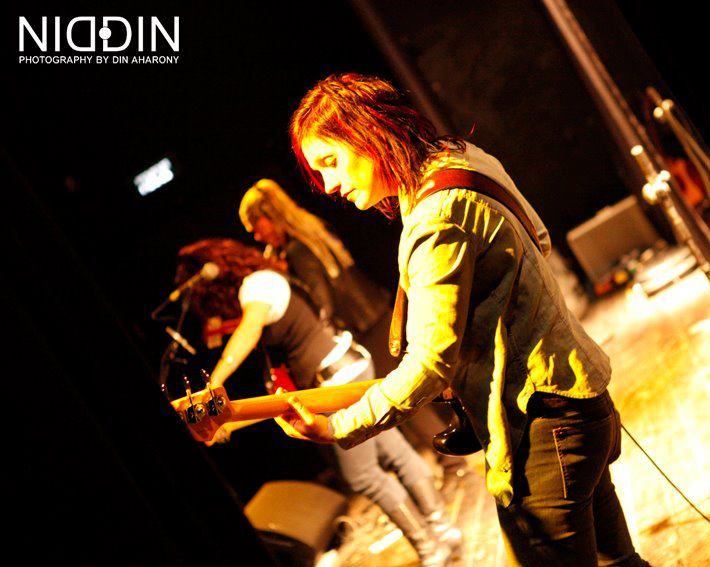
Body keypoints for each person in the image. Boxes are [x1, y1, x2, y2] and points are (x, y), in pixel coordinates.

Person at [274, 73, 648, 566]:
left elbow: (429, 364)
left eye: (330, 162)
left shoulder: (436, 216)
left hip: (540, 427)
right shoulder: (463, 160)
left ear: (367, 134)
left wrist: (336, 428)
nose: (328, 186)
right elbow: (539, 239)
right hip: (580, 402)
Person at [174, 238, 461, 566]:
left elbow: (250, 330)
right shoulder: (268, 277)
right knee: (394, 452)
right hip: (345, 365)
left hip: (337, 379)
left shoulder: (256, 286)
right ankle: (443, 530)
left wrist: (214, 383)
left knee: (363, 475)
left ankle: (431, 547)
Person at [239, 178, 469, 477]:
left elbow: (322, 303)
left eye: (256, 227)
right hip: (376, 313)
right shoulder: (311, 231)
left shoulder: (296, 251)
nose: (257, 236)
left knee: (402, 395)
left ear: (269, 217)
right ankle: (453, 457)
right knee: (408, 389)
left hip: (365, 326)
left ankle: (453, 462)